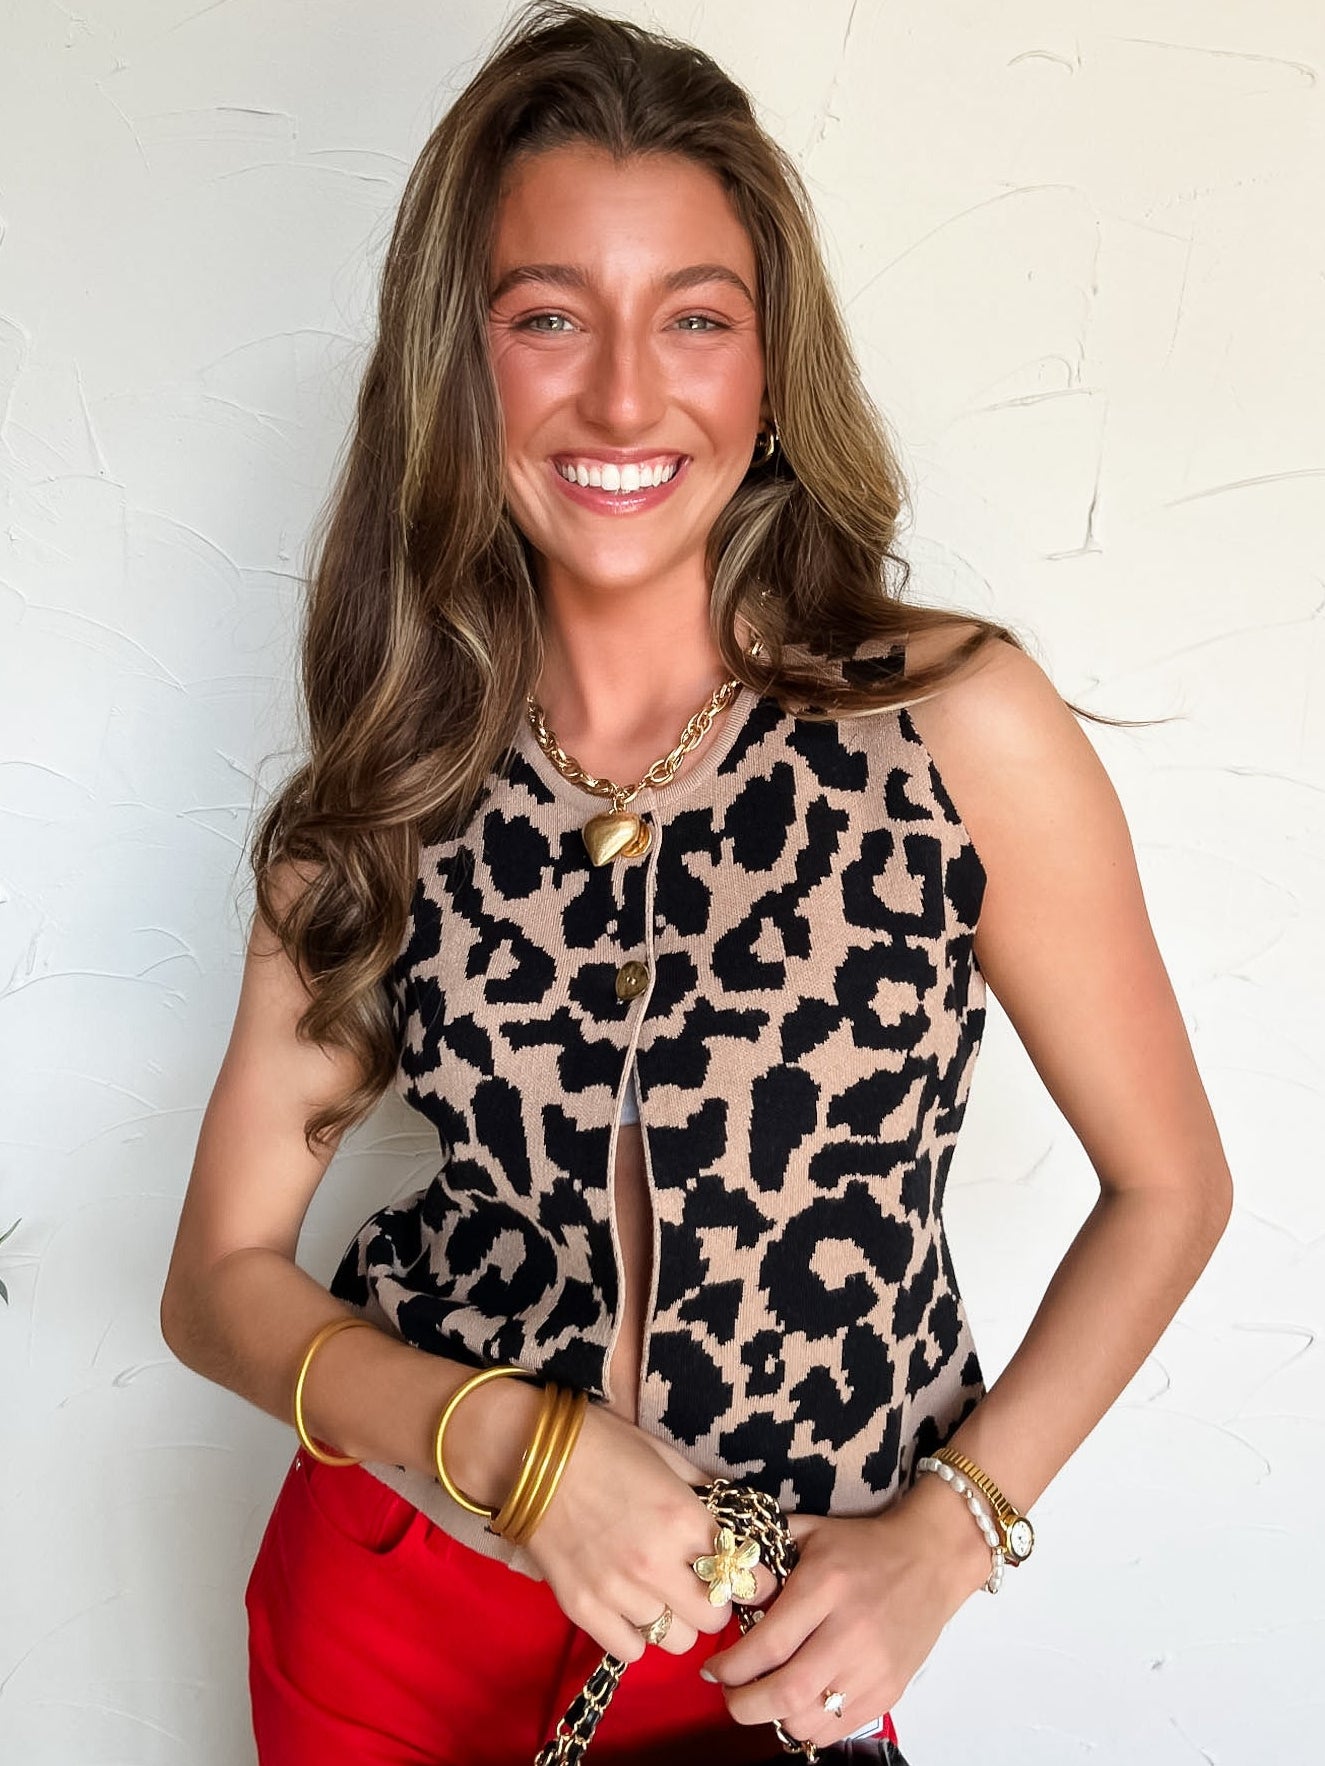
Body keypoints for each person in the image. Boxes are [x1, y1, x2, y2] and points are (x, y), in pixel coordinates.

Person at [159, 4, 1234, 1763]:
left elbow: (1170, 1186)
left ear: (766, 362)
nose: (624, 396)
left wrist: (949, 1536)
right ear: (463, 358)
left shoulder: (952, 725)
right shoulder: (395, 786)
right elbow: (217, 1276)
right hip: (391, 1606)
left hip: (765, 1666)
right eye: (548, 317)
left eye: (696, 319)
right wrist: (519, 1451)